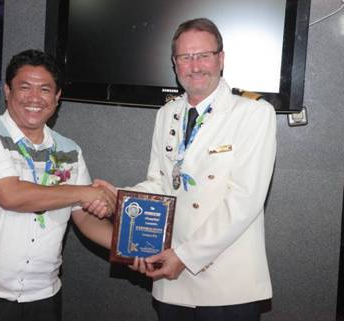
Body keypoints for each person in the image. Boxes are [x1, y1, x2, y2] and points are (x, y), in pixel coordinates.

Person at [98, 17, 276, 320]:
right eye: (185, 57)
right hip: (172, 277)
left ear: (221, 58)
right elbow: (160, 182)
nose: (195, 66)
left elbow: (245, 200)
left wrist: (185, 256)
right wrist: (118, 198)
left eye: (203, 55)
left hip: (227, 282)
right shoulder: (167, 113)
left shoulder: (254, 113)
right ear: (174, 63)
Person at [0, 49, 115, 321]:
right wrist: (85, 192)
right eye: (25, 87)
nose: (35, 98)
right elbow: (11, 196)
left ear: (57, 97)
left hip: (43, 299)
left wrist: (133, 248)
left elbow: (83, 218)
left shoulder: (69, 150)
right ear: (7, 91)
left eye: (45, 89)